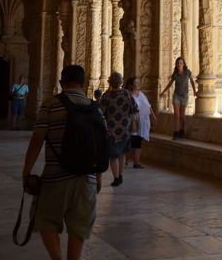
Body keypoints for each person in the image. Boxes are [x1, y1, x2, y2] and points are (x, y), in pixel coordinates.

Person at [22, 64, 105, 260]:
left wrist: (26, 172)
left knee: (46, 219)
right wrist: (98, 177)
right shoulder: (95, 109)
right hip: (87, 177)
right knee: (79, 224)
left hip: (55, 177)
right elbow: (101, 146)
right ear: (83, 83)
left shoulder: (51, 105)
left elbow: (37, 140)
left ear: (61, 82)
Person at [98, 72, 138, 187]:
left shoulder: (107, 96)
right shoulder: (127, 93)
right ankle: (120, 175)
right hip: (125, 129)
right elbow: (135, 108)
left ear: (110, 82)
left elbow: (100, 112)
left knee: (113, 155)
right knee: (122, 154)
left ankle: (116, 178)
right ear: (121, 81)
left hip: (112, 131)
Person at [160, 56, 197, 139]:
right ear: (176, 65)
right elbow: (170, 84)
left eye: (180, 63)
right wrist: (163, 92)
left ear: (183, 64)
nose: (179, 64)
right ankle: (176, 132)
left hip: (184, 96)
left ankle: (182, 131)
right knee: (176, 115)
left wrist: (195, 91)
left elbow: (192, 82)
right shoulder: (175, 74)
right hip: (176, 95)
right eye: (178, 63)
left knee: (182, 116)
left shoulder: (187, 72)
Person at [127, 76, 157, 169]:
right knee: (133, 141)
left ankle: (136, 162)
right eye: (136, 83)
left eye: (139, 82)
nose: (139, 84)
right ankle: (129, 160)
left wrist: (153, 116)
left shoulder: (141, 94)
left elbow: (148, 106)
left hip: (143, 121)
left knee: (138, 140)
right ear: (132, 85)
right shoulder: (128, 96)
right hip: (134, 121)